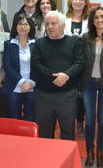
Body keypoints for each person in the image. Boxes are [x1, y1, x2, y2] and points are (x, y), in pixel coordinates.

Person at [31, 11, 85, 140]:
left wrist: (66, 75)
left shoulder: (74, 42)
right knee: (44, 134)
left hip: (67, 96)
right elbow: (36, 65)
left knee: (67, 133)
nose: (50, 27)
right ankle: (46, 160)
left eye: (53, 23)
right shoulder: (39, 43)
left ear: (62, 25)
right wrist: (55, 77)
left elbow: (80, 62)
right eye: (47, 24)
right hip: (44, 97)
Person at [80, 7, 103, 168]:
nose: (99, 20)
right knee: (90, 120)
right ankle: (89, 151)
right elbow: (80, 61)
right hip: (88, 83)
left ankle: (100, 151)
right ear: (92, 21)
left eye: (102, 17)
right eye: (96, 17)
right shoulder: (85, 38)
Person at [64, 0, 90, 136]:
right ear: (71, 1)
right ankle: (67, 123)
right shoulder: (63, 18)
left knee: (82, 95)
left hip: (85, 64)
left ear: (85, 2)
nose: (78, 2)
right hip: (67, 63)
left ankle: (80, 122)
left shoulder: (89, 19)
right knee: (68, 95)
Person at [1, 14, 36, 121]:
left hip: (31, 86)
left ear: (31, 27)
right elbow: (7, 66)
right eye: (20, 24)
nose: (23, 26)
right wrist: (21, 82)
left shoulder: (36, 44)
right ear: (15, 27)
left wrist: (30, 82)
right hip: (14, 86)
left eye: (26, 24)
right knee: (14, 118)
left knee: (30, 117)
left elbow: (38, 65)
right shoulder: (9, 44)